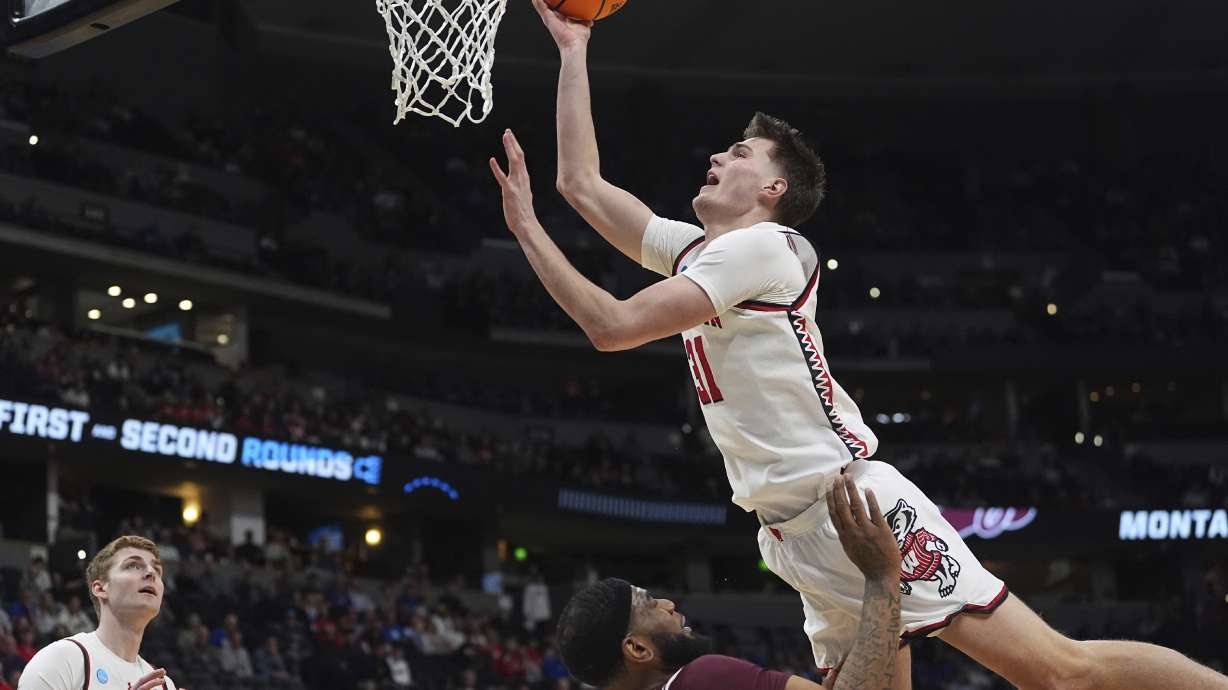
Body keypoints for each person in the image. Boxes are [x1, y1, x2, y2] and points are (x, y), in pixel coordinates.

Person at [487, 3, 1228, 689]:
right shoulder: (703, 255)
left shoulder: (768, 248)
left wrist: (526, 232)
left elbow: (612, 327)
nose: (718, 155)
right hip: (796, 534)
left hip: (852, 508)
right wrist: (575, 48)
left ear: (774, 189)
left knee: (1061, 674)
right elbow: (580, 184)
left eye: (739, 151)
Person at [553, 476, 900, 690]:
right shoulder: (699, 679)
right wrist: (881, 577)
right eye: (650, 604)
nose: (669, 605)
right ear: (638, 649)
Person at [18, 536, 179, 690]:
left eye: (157, 570)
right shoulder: (61, 660)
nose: (151, 573)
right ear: (101, 588)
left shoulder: (164, 685)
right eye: (133, 565)